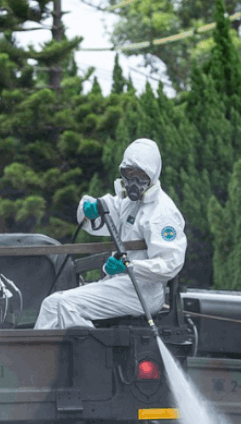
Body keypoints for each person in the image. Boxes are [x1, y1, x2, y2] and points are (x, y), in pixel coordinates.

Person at [34, 138, 186, 330]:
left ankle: (86, 352)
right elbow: (106, 210)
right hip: (124, 283)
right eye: (128, 174)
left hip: (143, 292)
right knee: (55, 304)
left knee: (60, 305)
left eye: (140, 175)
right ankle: (68, 355)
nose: (133, 182)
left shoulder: (162, 213)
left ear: (152, 174)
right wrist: (89, 208)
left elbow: (170, 264)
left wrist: (129, 266)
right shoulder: (130, 202)